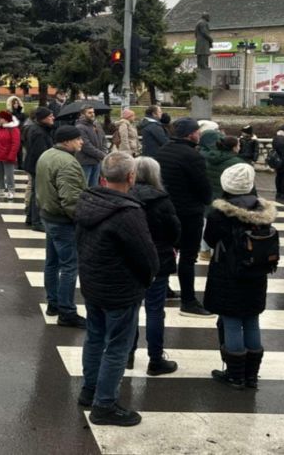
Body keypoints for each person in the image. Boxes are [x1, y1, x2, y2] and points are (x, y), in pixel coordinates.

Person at [76, 151, 159, 427]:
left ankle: (90, 390)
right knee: (117, 347)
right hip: (121, 289)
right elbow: (146, 256)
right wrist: (147, 279)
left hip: (93, 282)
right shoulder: (128, 212)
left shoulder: (88, 201)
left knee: (95, 338)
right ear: (131, 177)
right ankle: (105, 404)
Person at [203, 163, 279, 390]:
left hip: (228, 273)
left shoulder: (220, 213)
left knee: (232, 321)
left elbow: (209, 238)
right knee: (252, 319)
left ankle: (235, 375)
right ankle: (251, 375)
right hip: (257, 273)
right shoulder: (262, 211)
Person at [156, 117, 214, 318]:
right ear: (191, 134)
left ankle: (164, 289)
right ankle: (189, 301)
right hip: (189, 213)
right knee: (188, 257)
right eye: (197, 131)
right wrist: (207, 200)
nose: (199, 134)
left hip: (165, 209)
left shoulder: (163, 150)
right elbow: (203, 188)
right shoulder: (192, 156)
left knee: (166, 250)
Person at [128, 157, 181, 376]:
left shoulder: (126, 196)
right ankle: (155, 358)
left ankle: (127, 354)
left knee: (130, 309)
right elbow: (174, 230)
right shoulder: (162, 200)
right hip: (158, 259)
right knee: (155, 310)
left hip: (131, 259)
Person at [36, 125, 88, 328]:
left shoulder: (47, 155)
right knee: (69, 266)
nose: (81, 142)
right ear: (66, 142)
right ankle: (66, 311)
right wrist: (82, 220)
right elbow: (71, 200)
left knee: (52, 262)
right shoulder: (68, 163)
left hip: (48, 215)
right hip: (63, 221)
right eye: (78, 139)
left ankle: (53, 303)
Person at [22, 107, 55, 231]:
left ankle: (30, 218)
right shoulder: (39, 132)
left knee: (35, 192)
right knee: (38, 194)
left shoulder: (38, 129)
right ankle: (37, 221)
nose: (53, 118)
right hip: (38, 166)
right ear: (43, 118)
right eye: (50, 116)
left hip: (33, 165)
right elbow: (41, 153)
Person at [0, 111, 21, 198]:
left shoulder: (13, 129)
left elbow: (15, 143)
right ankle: (1, 189)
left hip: (7, 156)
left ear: (6, 120)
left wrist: (11, 156)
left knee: (9, 175)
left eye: (1, 118)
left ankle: (11, 190)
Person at [204, 136, 247, 200]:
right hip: (227, 200)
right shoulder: (239, 163)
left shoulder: (208, 158)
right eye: (239, 145)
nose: (239, 148)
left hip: (209, 196)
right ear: (234, 148)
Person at [75, 106, 107, 187]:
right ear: (82, 114)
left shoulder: (96, 124)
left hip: (97, 161)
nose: (92, 114)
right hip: (85, 162)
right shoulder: (80, 127)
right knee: (85, 186)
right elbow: (86, 146)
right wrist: (102, 155)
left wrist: (104, 152)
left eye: (93, 112)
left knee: (94, 187)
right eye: (89, 112)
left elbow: (104, 139)